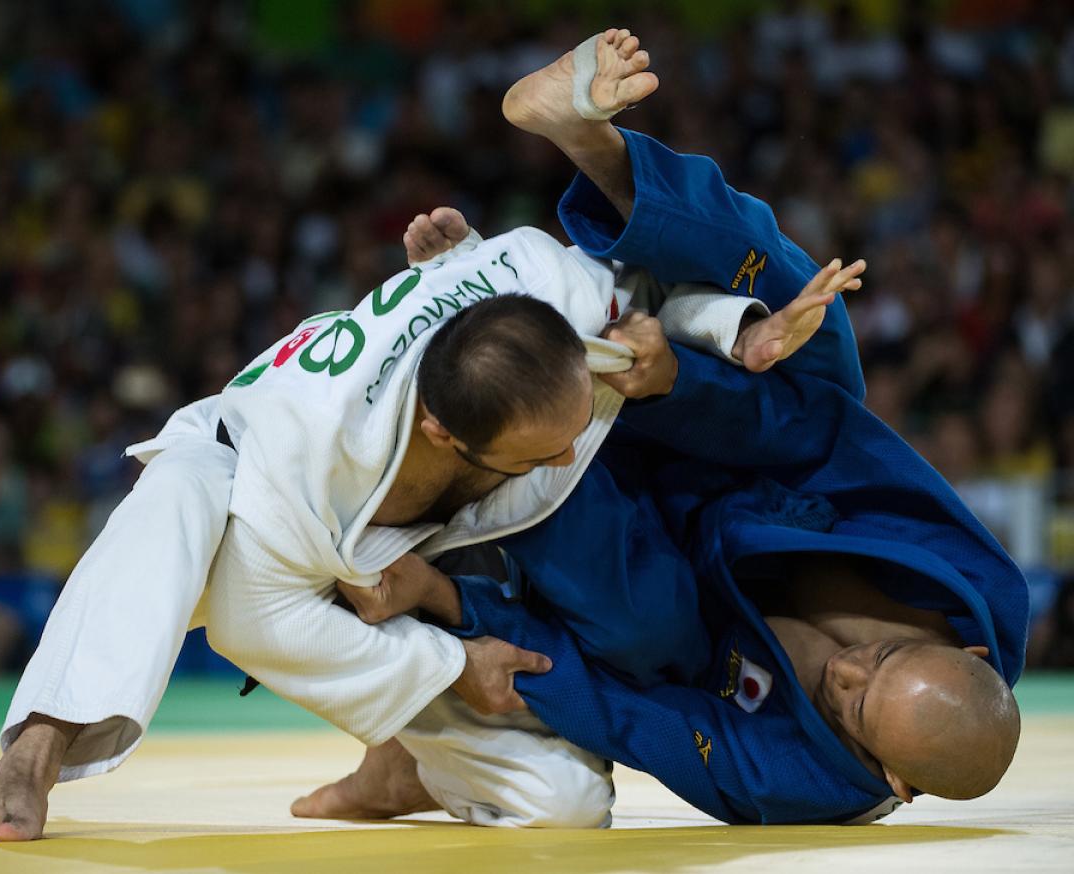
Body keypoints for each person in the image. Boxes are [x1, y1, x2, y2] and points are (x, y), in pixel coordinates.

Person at [0, 31, 825, 841]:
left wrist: (732, 332)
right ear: (444, 434)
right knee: (174, 505)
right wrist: (453, 667)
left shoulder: (540, 285)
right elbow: (261, 628)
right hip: (242, 484)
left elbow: (644, 293)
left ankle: (406, 769)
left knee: (565, 804)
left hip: (392, 532)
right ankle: (35, 747)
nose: (567, 458)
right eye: (541, 451)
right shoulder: (306, 460)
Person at [292, 29, 1024, 827]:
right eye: (880, 658)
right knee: (820, 336)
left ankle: (486, 326)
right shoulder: (976, 584)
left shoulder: (790, 781)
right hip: (732, 442)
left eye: (852, 707)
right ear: (969, 654)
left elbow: (635, 718)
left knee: (642, 631)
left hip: (638, 551)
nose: (846, 670)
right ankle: (596, 150)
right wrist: (687, 381)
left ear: (896, 781)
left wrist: (457, 614)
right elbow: (825, 441)